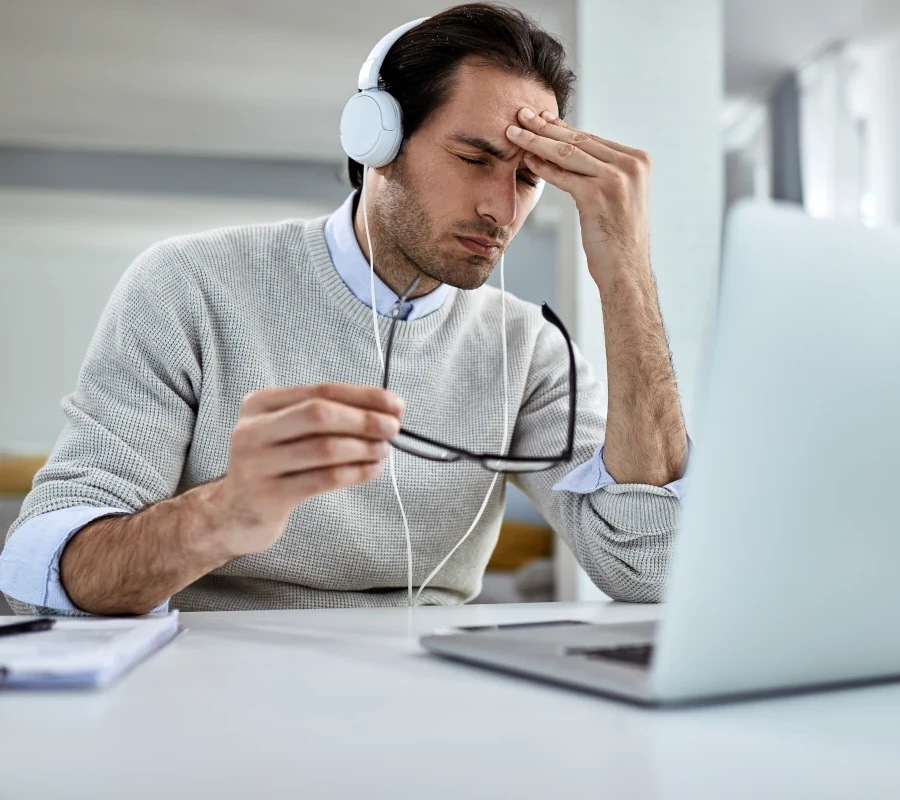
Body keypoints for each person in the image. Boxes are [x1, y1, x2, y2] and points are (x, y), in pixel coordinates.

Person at [0, 3, 687, 616]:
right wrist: (222, 514)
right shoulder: (191, 284)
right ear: (375, 142)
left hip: (436, 700)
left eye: (530, 178)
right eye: (475, 157)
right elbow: (36, 569)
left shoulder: (528, 349)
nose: (503, 209)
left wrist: (626, 274)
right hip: (210, 694)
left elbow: (648, 571)